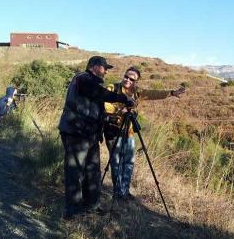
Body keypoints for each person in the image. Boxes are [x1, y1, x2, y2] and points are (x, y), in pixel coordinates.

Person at [58, 56, 135, 220]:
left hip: (90, 134)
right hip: (76, 133)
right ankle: (73, 211)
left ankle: (92, 205)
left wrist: (109, 119)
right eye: (104, 67)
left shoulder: (92, 83)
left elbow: (94, 108)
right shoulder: (83, 78)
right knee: (75, 171)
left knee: (92, 171)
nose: (106, 71)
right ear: (93, 66)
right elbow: (99, 94)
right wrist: (123, 98)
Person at [104, 66, 185, 201]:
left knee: (129, 162)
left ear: (136, 82)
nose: (127, 80)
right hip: (114, 130)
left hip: (128, 131)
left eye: (132, 79)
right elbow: (104, 104)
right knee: (116, 163)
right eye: (126, 76)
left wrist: (171, 93)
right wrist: (119, 111)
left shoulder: (137, 92)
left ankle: (125, 191)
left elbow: (153, 93)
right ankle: (118, 192)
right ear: (123, 76)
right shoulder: (113, 88)